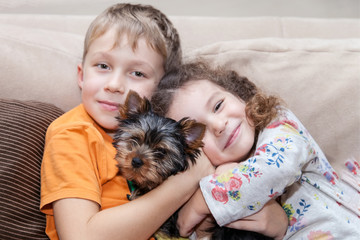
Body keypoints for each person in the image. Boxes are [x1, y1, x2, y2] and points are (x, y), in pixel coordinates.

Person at [40, 3, 215, 240]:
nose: (114, 85)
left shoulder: (173, 130)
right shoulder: (73, 134)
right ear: (82, 75)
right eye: (103, 66)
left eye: (137, 73)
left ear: (163, 89)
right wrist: (187, 180)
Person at [151, 60, 360, 239]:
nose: (218, 125)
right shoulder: (212, 179)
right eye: (198, 131)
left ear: (237, 94)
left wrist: (205, 200)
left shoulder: (279, 123)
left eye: (218, 105)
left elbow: (277, 168)